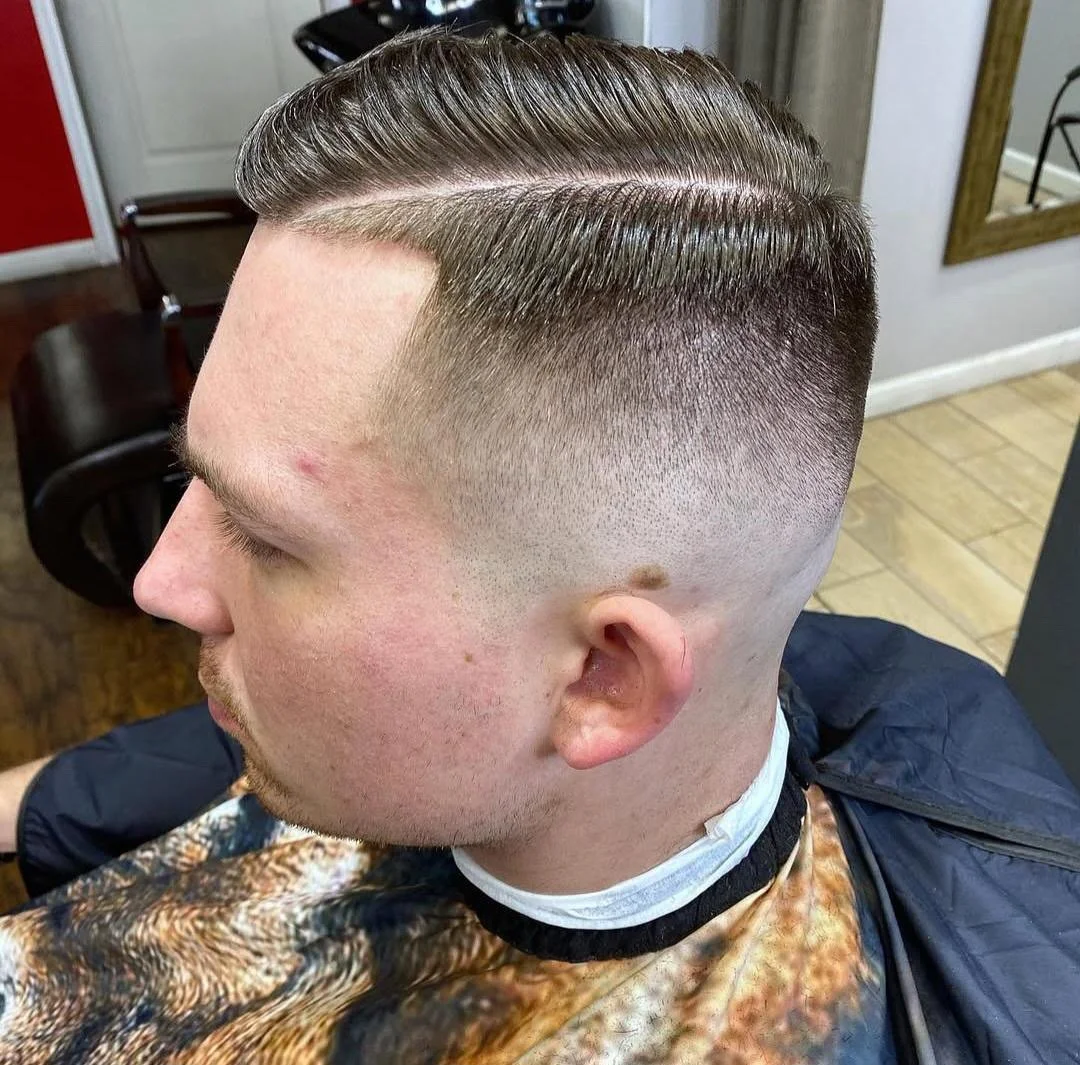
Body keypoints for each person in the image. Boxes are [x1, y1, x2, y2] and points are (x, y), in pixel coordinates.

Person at [0, 27, 1077, 1065]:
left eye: (267, 539)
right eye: (197, 479)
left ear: (602, 679)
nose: (158, 584)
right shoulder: (382, 730)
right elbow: (140, 780)